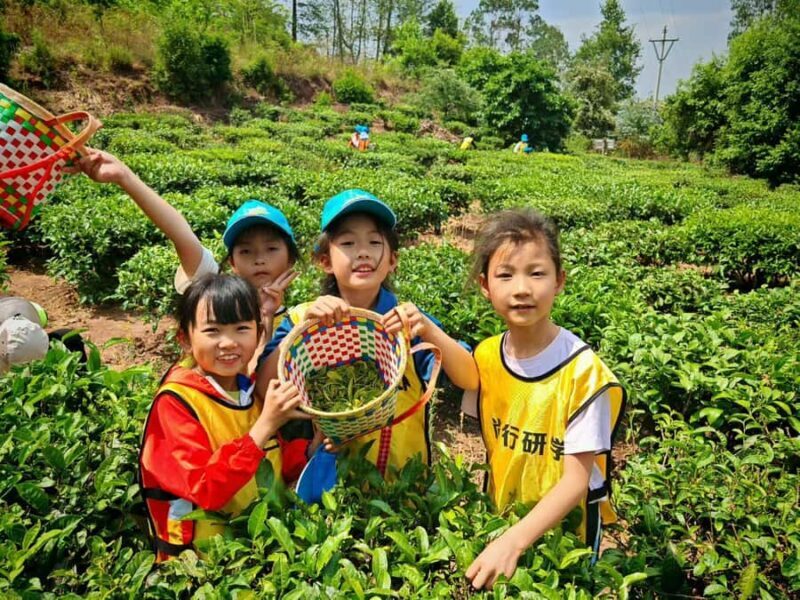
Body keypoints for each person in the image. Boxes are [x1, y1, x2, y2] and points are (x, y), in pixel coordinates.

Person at [73, 150, 304, 483]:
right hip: (209, 449)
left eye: (271, 249)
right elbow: (180, 232)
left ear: (290, 258)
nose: (260, 261)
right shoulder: (208, 291)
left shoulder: (297, 319)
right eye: (246, 251)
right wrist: (125, 177)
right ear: (232, 263)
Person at [256, 189, 478, 479]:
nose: (363, 251)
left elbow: (469, 378)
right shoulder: (302, 318)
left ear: (392, 261)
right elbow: (262, 389)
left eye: (375, 242)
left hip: (403, 486)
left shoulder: (407, 322)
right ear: (325, 261)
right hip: (331, 488)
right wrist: (300, 332)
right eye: (348, 243)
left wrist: (428, 328)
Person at [462, 209, 625, 590]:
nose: (522, 288)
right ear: (486, 286)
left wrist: (515, 540)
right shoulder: (486, 356)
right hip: (502, 518)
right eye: (506, 275)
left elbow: (577, 480)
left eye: (537, 273)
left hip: (565, 535)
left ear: (559, 281)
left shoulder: (584, 372)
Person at [138, 273, 311, 561]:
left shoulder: (247, 389)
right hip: (202, 565)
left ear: (258, 334)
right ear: (185, 338)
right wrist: (266, 424)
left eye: (241, 329)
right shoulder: (176, 403)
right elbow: (204, 489)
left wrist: (315, 445)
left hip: (260, 551)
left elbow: (275, 459)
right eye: (213, 331)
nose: (228, 343)